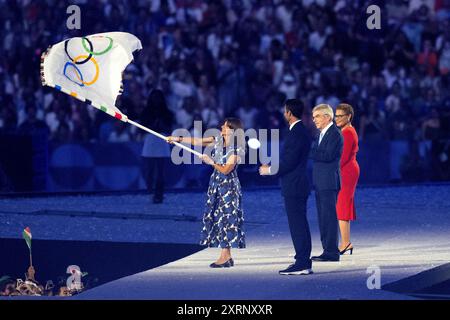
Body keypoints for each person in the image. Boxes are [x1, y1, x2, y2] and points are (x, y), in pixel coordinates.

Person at [167, 118, 246, 268]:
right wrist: (177, 138)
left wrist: (210, 162)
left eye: (225, 125)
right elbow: (198, 141)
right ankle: (225, 256)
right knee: (217, 217)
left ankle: (225, 256)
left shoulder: (237, 148)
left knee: (227, 219)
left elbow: (226, 170)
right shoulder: (217, 140)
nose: (222, 126)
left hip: (228, 186)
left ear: (233, 130)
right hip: (216, 184)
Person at [259, 99, 313, 275]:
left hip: (295, 185)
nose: (283, 114)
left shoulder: (297, 133)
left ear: (289, 113)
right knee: (300, 224)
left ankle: (303, 262)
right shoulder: (298, 131)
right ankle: (303, 260)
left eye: (285, 111)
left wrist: (269, 170)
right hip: (297, 183)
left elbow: (290, 163)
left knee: (298, 225)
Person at [310, 104, 343, 262]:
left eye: (317, 116)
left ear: (327, 117)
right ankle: (327, 250)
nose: (313, 119)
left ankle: (331, 251)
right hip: (320, 181)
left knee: (329, 217)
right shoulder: (321, 134)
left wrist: (309, 151)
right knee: (323, 217)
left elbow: (328, 155)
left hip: (329, 182)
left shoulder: (335, 134)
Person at [140, 89, 175, 204]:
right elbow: (142, 127)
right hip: (150, 139)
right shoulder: (146, 112)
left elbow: (169, 127)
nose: (156, 100)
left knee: (160, 171)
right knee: (149, 170)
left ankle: (159, 194)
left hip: (161, 139)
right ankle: (150, 192)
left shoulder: (167, 113)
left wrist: (161, 126)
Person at [335, 103, 360, 255]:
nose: (336, 119)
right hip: (347, 169)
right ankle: (346, 242)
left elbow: (342, 157)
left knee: (342, 206)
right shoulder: (346, 131)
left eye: (340, 116)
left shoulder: (347, 132)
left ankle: (345, 243)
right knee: (342, 205)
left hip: (346, 171)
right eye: (335, 116)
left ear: (348, 116)